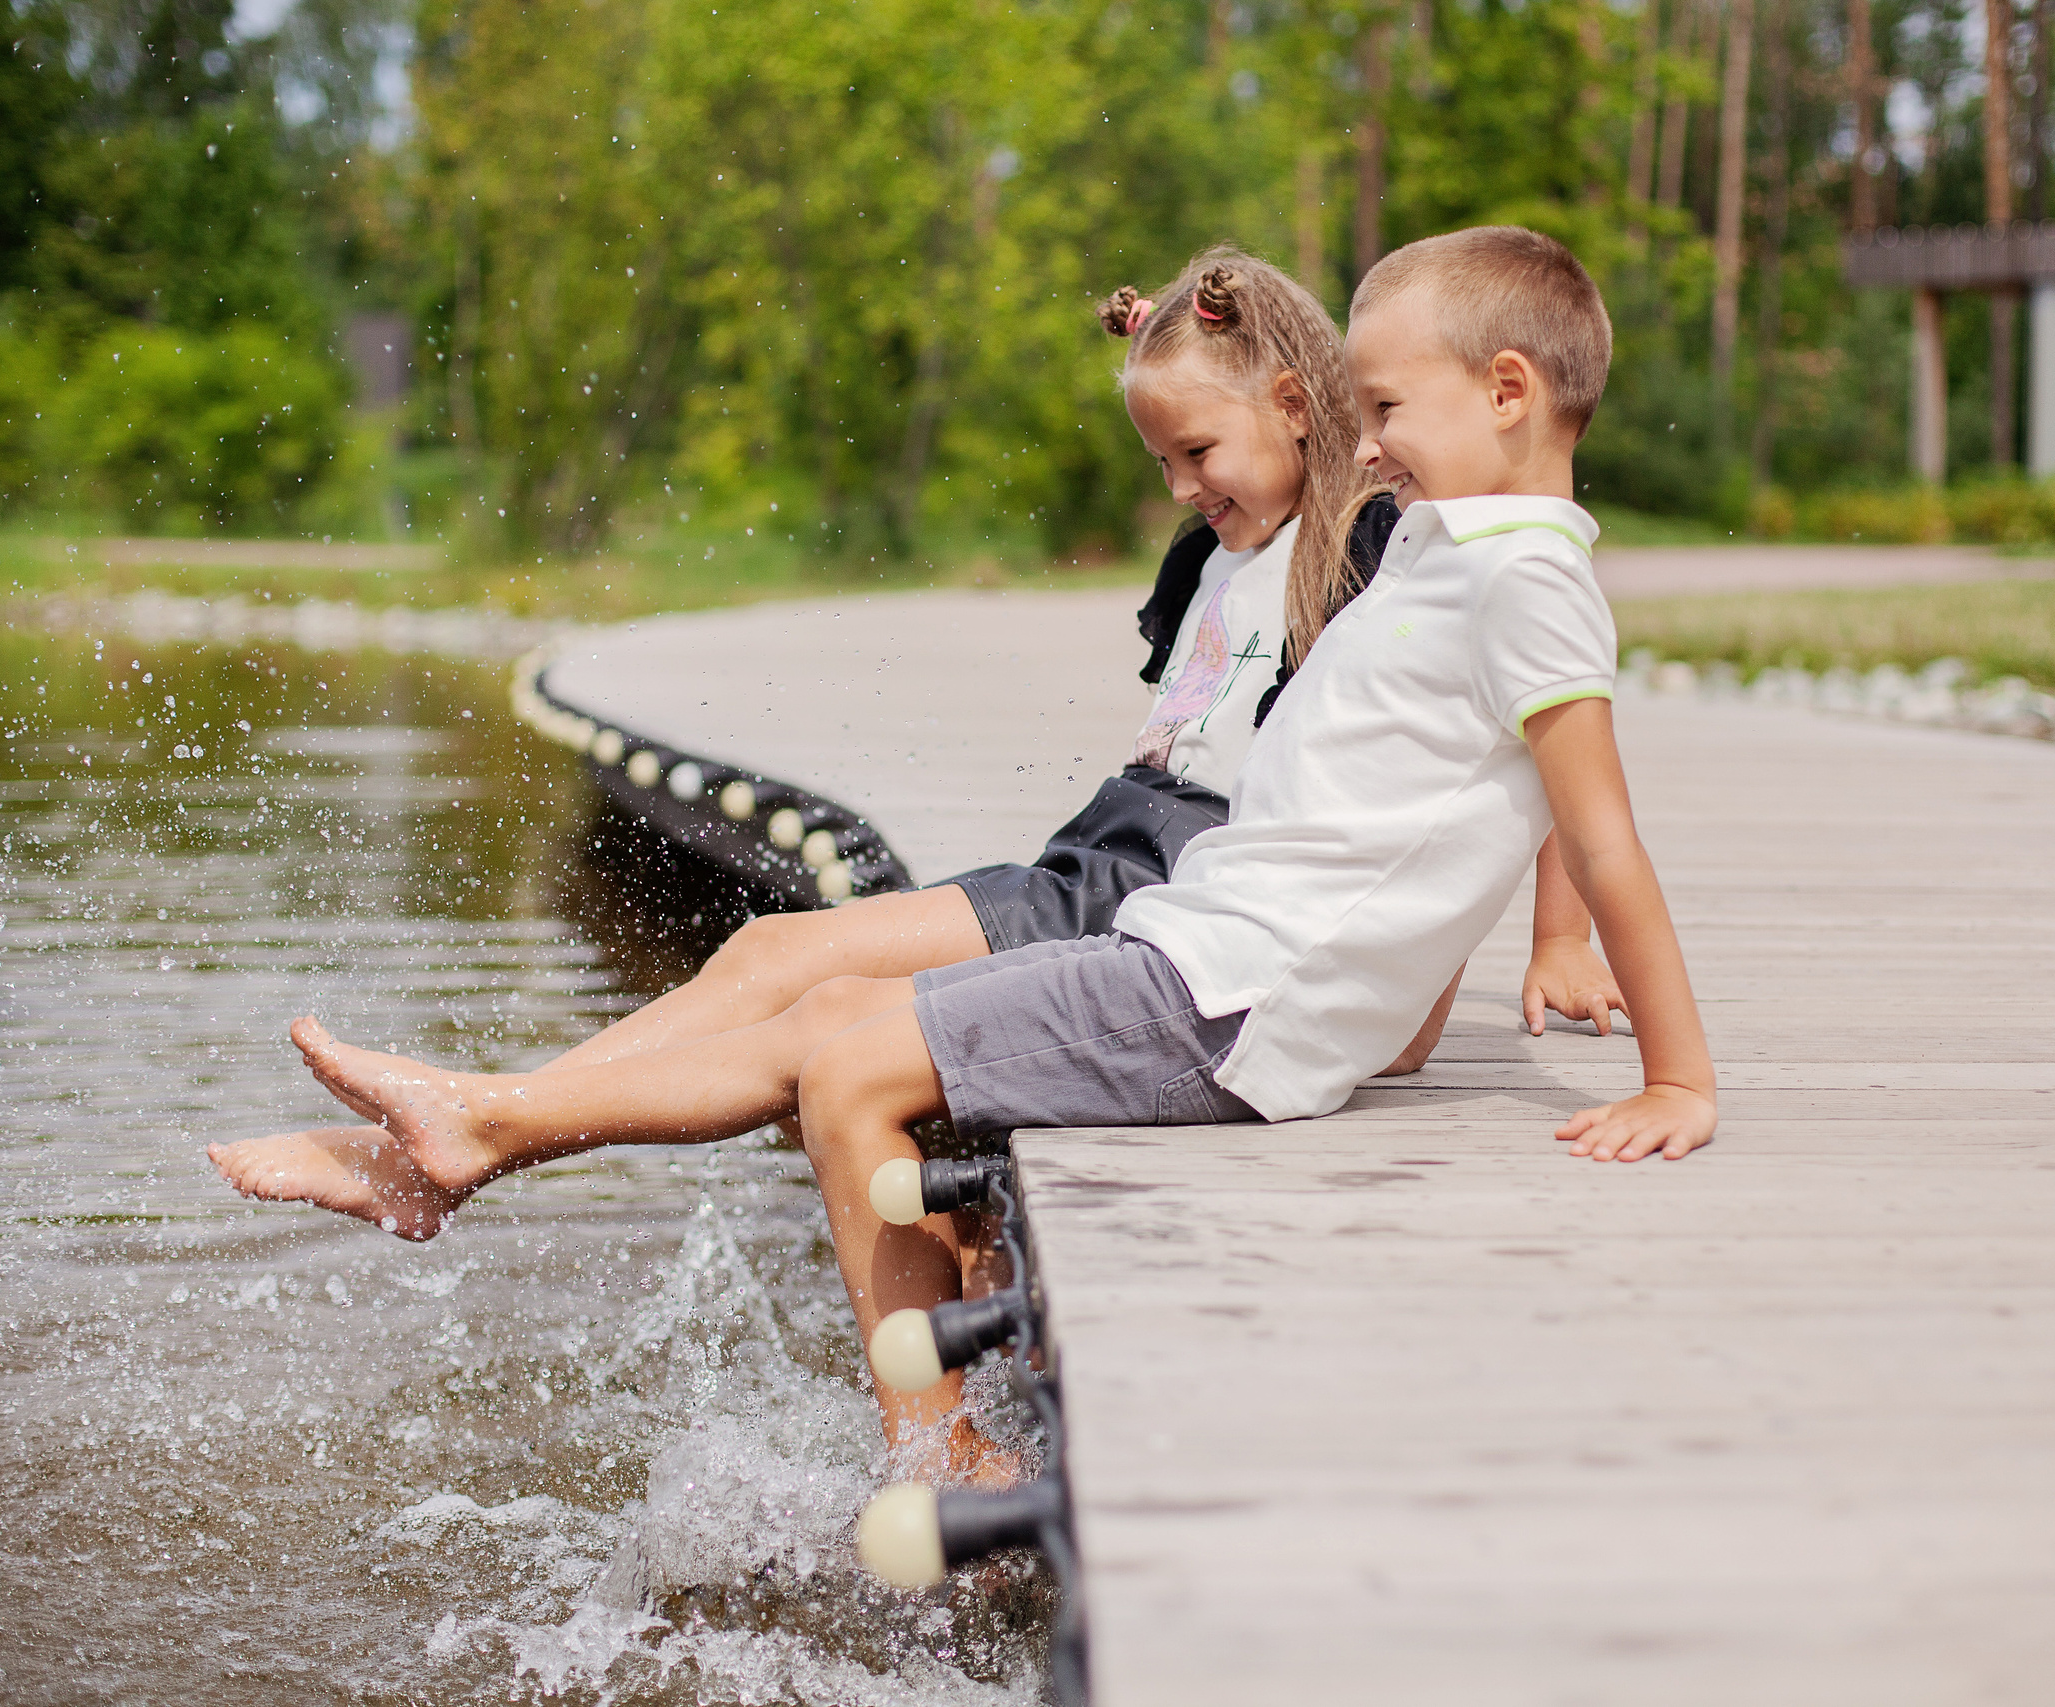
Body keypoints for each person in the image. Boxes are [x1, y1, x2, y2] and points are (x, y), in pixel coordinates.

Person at [214, 225, 1708, 1480]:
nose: (1371, 442)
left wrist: (1642, 1044)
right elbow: (1486, 760)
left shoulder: (1436, 549)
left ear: (1498, 393)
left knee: (840, 1049)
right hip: (1187, 912)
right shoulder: (1440, 543)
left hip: (1218, 950)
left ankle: (524, 1163)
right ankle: (486, 1136)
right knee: (809, 997)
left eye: (1381, 411)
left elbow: (1579, 793)